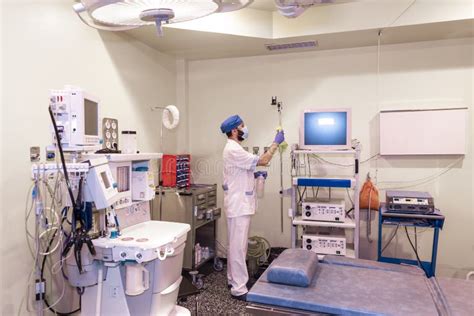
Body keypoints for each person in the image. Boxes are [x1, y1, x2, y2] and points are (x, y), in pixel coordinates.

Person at [220, 114, 285, 301]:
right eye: (242, 126)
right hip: (238, 205)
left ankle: (233, 279)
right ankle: (239, 288)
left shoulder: (234, 148)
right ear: (234, 130)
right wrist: (275, 143)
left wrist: (254, 174)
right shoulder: (233, 149)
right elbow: (263, 160)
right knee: (238, 247)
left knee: (235, 245)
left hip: (238, 203)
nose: (245, 128)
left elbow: (242, 170)